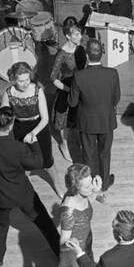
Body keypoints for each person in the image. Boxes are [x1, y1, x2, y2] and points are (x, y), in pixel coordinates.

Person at [0, 107, 60, 267]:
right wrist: (34, 143)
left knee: (0, 225)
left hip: (1, 195)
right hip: (23, 194)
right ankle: (60, 255)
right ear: (11, 124)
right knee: (45, 223)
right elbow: (39, 162)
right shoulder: (18, 148)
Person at [1, 61, 62, 197]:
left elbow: (45, 118)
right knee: (22, 160)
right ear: (13, 80)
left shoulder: (37, 91)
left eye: (27, 79)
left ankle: (58, 187)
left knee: (48, 161)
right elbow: (4, 116)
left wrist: (33, 133)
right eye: (21, 81)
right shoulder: (8, 93)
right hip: (19, 128)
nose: (25, 83)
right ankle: (23, 189)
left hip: (39, 128)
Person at [69, 38, 121, 193]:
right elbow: (116, 98)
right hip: (106, 120)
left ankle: (89, 183)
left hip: (87, 122)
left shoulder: (79, 76)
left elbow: (72, 103)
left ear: (86, 55)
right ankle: (104, 183)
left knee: (88, 154)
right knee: (105, 154)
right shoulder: (113, 74)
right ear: (102, 54)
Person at [57, 164, 102, 267]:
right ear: (76, 187)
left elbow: (98, 199)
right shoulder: (68, 211)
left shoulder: (81, 194)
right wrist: (75, 246)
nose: (91, 187)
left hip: (86, 243)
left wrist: (96, 190)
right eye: (88, 185)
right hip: (75, 252)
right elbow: (63, 240)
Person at [49, 22, 84, 162]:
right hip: (67, 89)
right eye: (76, 34)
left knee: (78, 117)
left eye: (79, 33)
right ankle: (64, 144)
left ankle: (78, 141)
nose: (80, 36)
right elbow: (52, 78)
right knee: (64, 121)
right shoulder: (61, 55)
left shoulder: (80, 49)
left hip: (80, 87)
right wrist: (68, 90)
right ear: (68, 36)